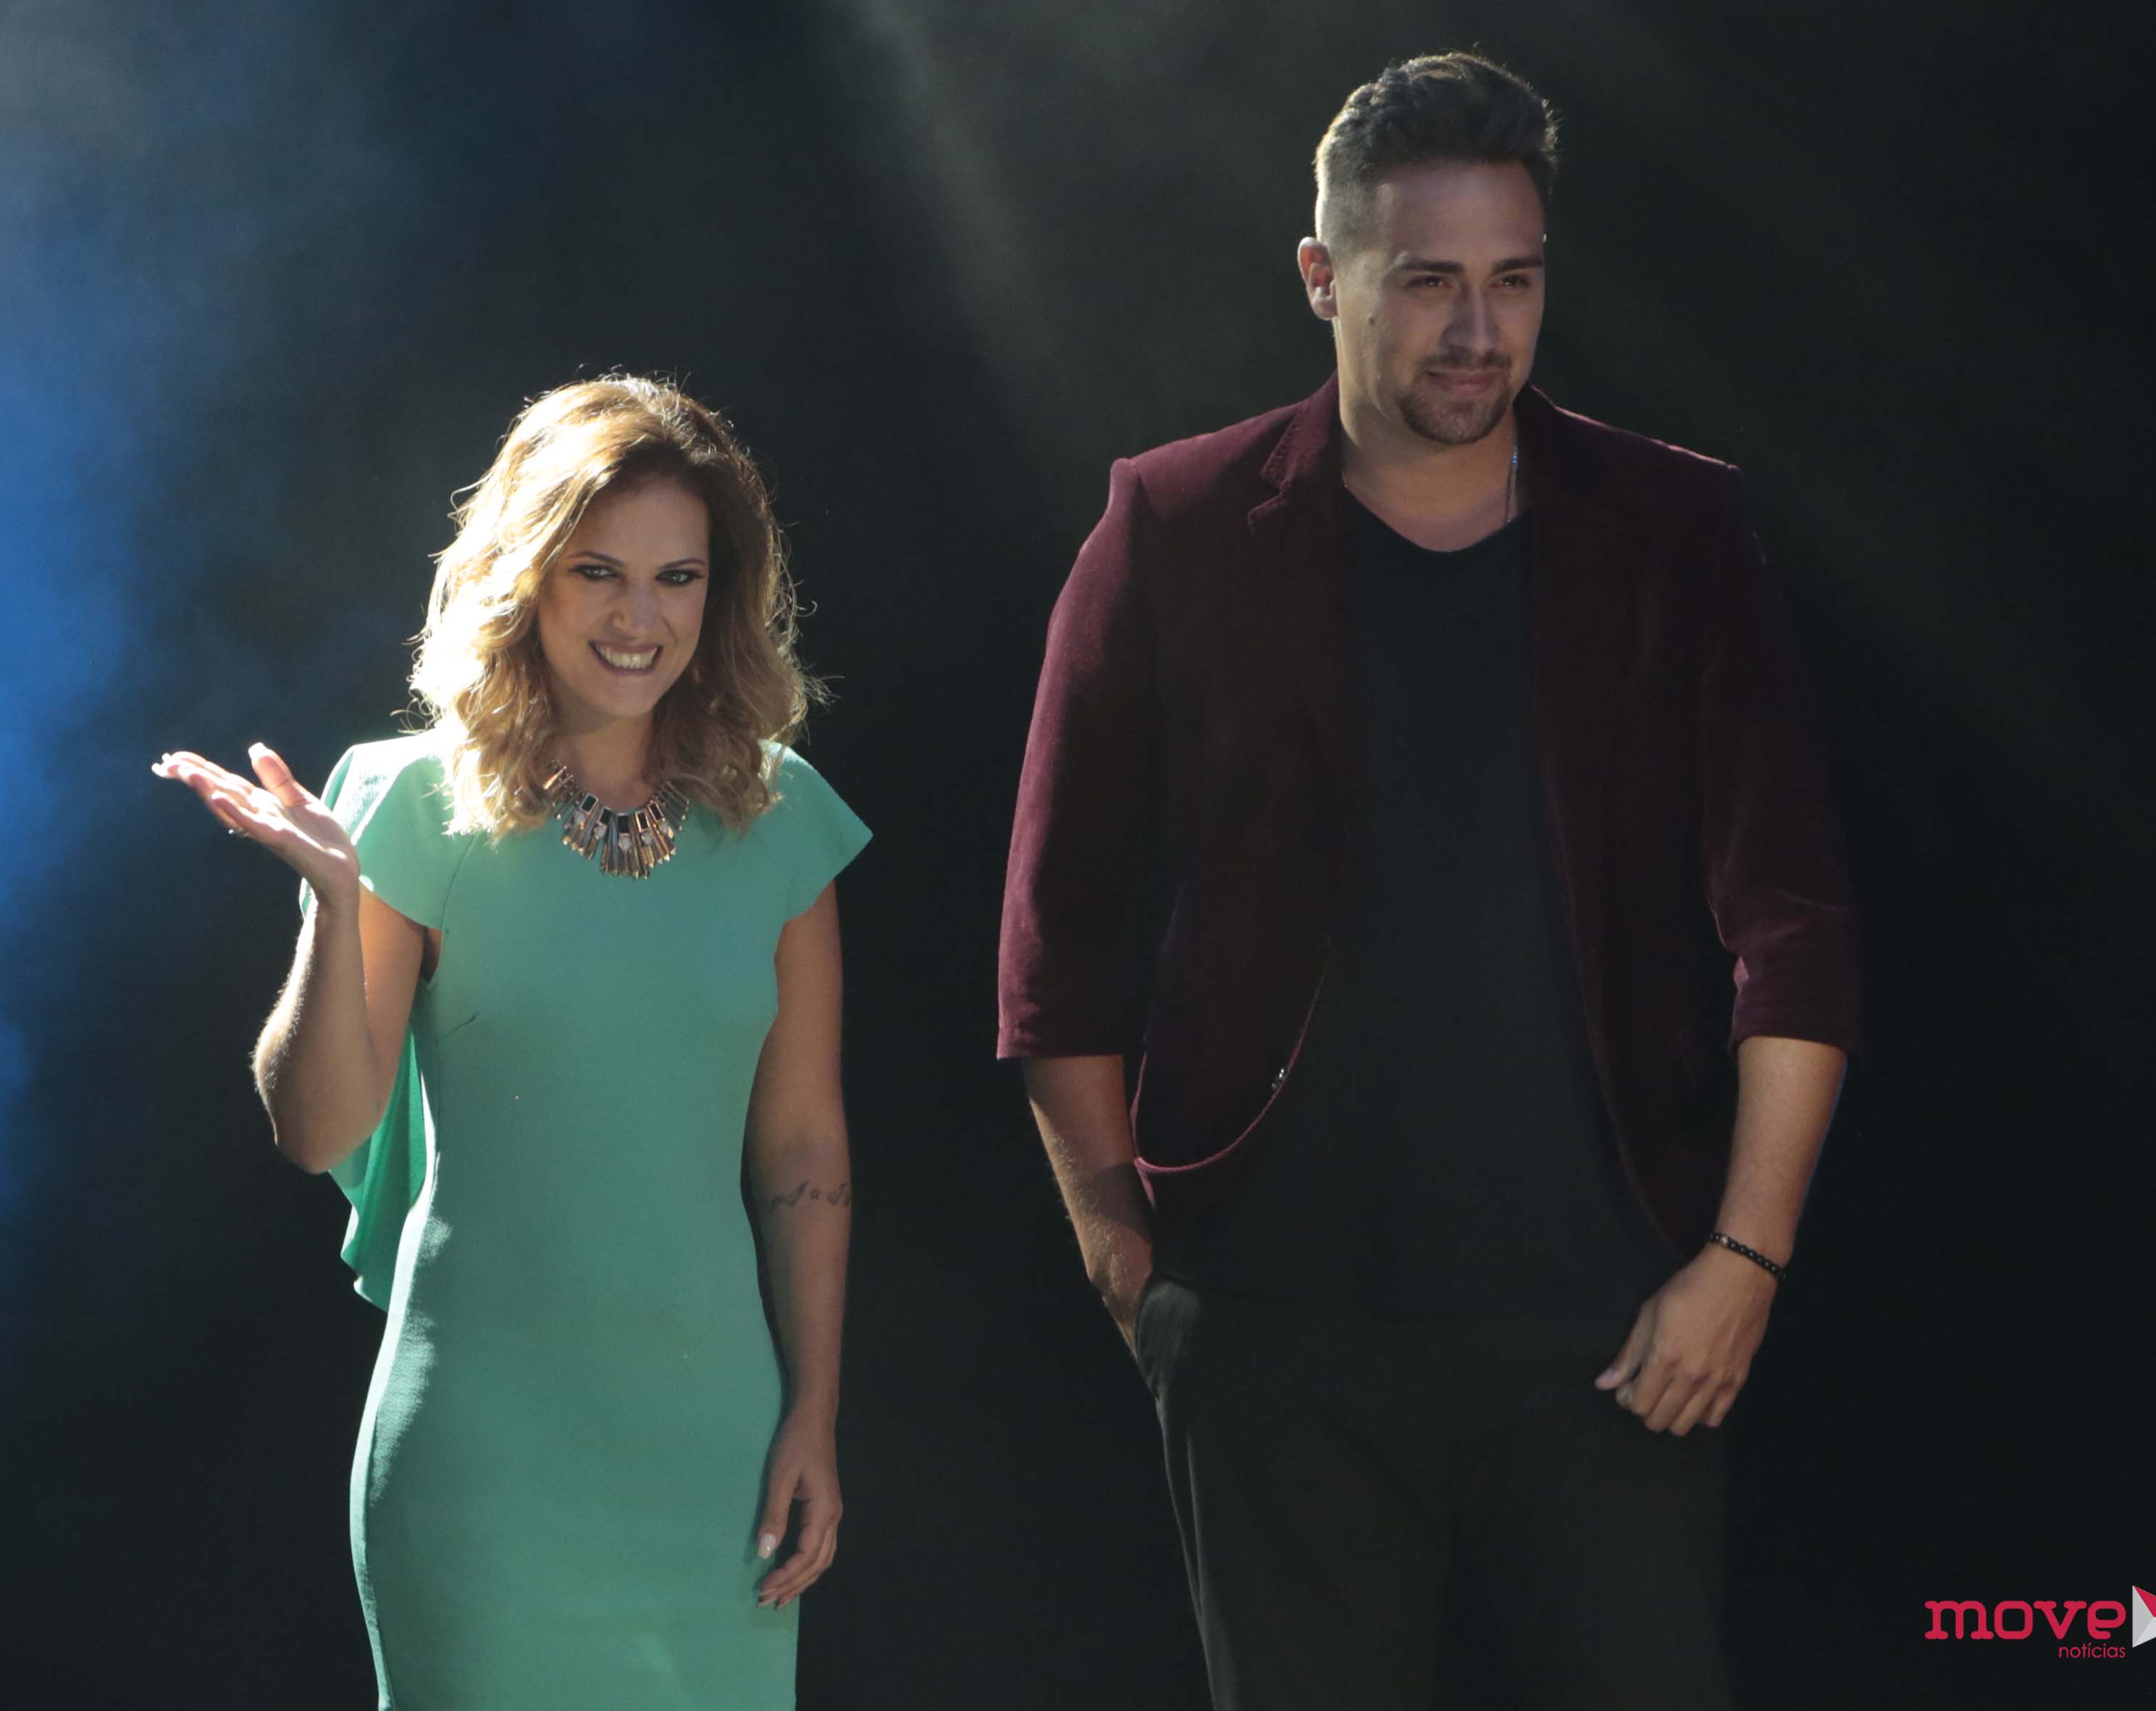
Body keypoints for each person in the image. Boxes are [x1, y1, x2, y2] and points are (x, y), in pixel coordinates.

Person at [999, 53, 1861, 1711]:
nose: (1477, 331)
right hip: (1273, 1329)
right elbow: (1057, 930)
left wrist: (1741, 1261)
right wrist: (1126, 1261)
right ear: (1321, 277)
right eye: (1426, 283)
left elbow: (1793, 921)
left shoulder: (1672, 526)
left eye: (1512, 281)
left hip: (1615, 1323)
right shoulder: (1171, 523)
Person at [154, 375, 868, 1708]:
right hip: (483, 1468)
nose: (639, 617)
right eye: (598, 571)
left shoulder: (779, 819)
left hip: (714, 1459)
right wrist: (336, 903)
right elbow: (316, 1130)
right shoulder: (407, 801)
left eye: (676, 577)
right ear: (525, 576)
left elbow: (803, 1147)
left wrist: (812, 1413)